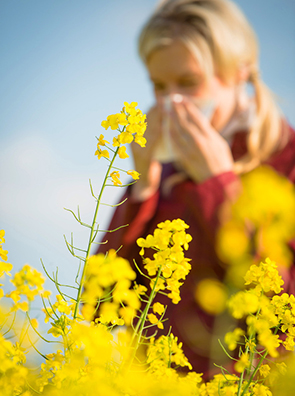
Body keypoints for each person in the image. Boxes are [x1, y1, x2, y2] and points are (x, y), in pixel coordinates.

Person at [96, 0, 295, 376]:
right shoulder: (160, 173)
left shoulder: (288, 162)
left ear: (241, 73)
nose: (172, 102)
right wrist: (142, 191)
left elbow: (284, 311)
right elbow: (99, 307)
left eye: (189, 83)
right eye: (158, 85)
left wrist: (219, 185)